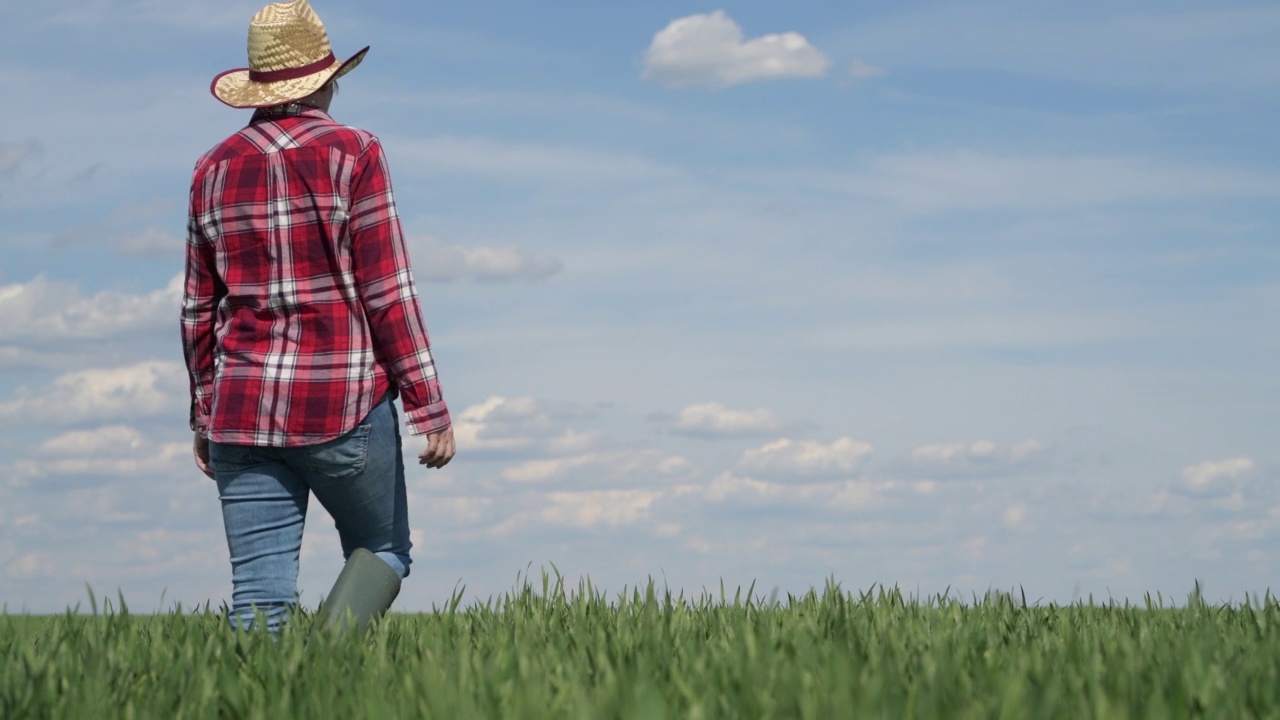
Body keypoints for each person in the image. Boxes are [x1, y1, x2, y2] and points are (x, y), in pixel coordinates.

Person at [180, 0, 455, 633]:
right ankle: (324, 681)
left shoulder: (211, 168)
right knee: (382, 549)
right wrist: (428, 404)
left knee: (258, 597)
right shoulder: (355, 151)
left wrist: (203, 410)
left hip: (240, 410)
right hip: (342, 404)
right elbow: (387, 288)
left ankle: (259, 699)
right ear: (326, 80)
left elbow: (199, 306)